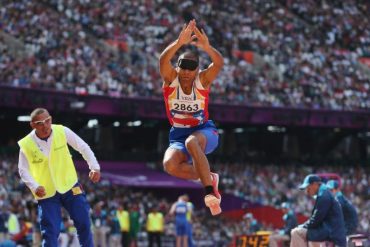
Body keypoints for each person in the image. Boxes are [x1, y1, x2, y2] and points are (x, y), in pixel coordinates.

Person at [159, 19, 224, 215]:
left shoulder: (202, 80)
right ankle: (209, 178)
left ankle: (209, 192)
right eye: (183, 69)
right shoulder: (171, 79)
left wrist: (207, 47)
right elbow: (162, 61)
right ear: (177, 68)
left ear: (197, 70)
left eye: (191, 69)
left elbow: (219, 62)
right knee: (169, 165)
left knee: (191, 142)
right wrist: (179, 43)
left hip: (204, 131)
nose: (186, 73)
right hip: (177, 134)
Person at [17, 108, 101, 247]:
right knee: (50, 231)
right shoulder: (26, 144)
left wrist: (94, 167)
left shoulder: (62, 131)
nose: (45, 125)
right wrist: (35, 186)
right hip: (47, 192)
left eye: (47, 121)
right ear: (32, 125)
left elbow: (83, 147)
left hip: (70, 186)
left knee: (84, 222)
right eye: (40, 123)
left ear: (51, 119)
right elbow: (23, 170)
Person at [290, 174, 346, 247]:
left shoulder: (324, 196)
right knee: (307, 232)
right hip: (332, 231)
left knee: (296, 232)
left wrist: (302, 226)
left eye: (308, 187)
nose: (307, 191)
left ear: (315, 184)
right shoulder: (324, 193)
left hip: (331, 233)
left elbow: (315, 220)